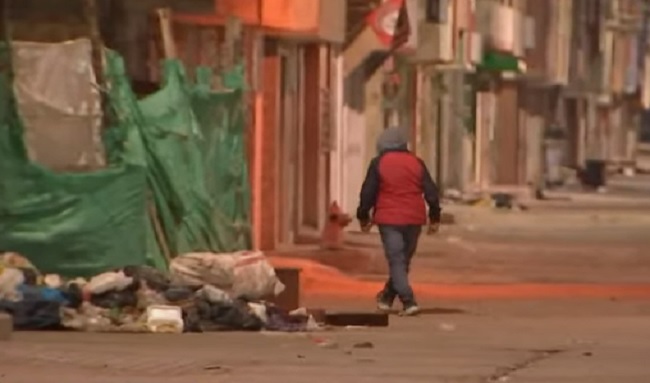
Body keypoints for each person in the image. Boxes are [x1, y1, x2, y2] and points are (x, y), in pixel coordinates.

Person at [356, 126, 441, 316]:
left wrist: (363, 216)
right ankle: (386, 297)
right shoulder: (416, 163)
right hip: (414, 218)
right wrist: (435, 216)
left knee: (397, 261)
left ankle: (408, 301)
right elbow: (431, 192)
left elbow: (368, 192)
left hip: (389, 219)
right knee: (402, 262)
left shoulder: (379, 163)